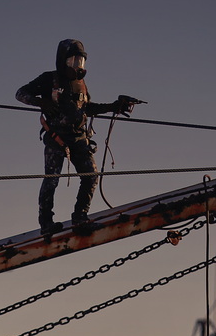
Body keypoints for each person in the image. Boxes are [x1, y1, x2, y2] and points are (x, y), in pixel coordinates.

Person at [16, 39, 134, 235]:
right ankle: (46, 223)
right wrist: (41, 102)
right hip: (57, 139)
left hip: (79, 139)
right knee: (52, 179)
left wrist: (114, 107)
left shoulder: (81, 85)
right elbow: (20, 93)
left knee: (91, 176)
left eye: (81, 61)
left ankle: (80, 217)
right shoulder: (49, 79)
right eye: (73, 61)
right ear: (62, 61)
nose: (78, 66)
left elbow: (88, 109)